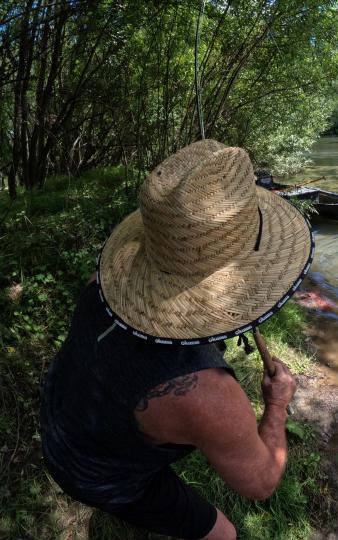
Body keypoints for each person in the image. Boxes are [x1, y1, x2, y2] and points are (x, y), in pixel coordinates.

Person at [40, 140, 314, 539]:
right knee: (224, 535)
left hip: (59, 412)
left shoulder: (103, 283)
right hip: (89, 471)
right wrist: (277, 402)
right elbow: (261, 482)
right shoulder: (206, 394)